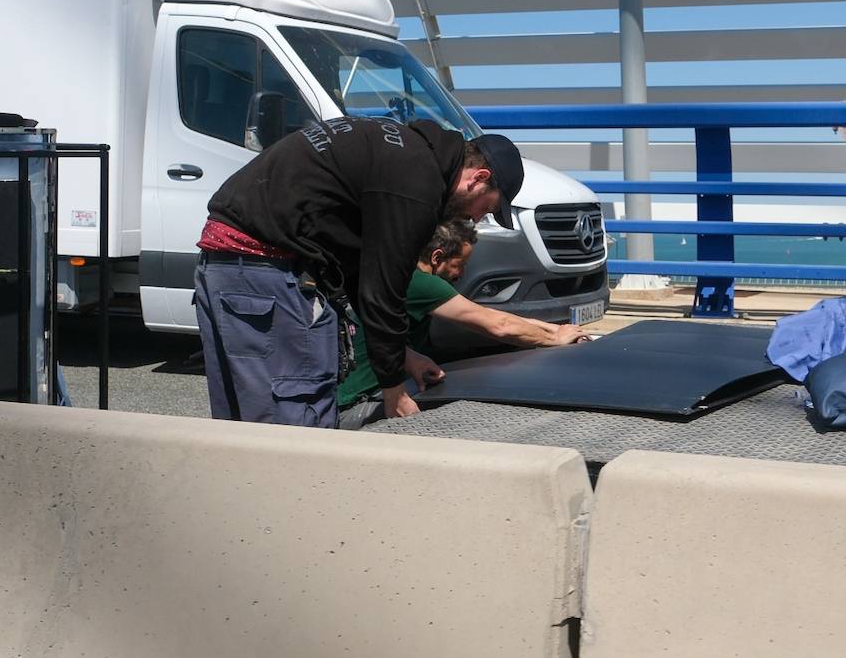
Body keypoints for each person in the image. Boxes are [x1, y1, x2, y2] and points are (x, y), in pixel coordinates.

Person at [194, 116, 524, 428]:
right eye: (489, 208)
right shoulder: (417, 183)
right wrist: (394, 389)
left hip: (225, 268)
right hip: (269, 272)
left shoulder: (397, 149)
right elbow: (385, 290)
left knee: (243, 423)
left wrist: (404, 357)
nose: (477, 219)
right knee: (295, 427)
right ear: (478, 178)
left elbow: (360, 271)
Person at [337, 220, 590, 430]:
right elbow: (498, 326)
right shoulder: (420, 283)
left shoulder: (404, 274)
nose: (461, 273)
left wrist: (555, 329)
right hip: (358, 408)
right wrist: (554, 340)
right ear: (437, 258)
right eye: (460, 264)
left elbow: (489, 314)